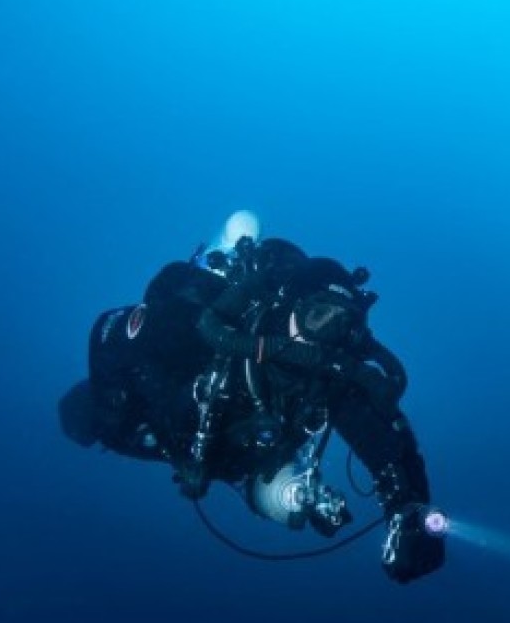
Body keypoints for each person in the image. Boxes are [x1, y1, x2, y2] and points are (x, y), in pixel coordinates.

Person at [58, 235, 446, 584]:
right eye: (319, 317)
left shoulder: (328, 373)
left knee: (287, 505)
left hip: (229, 455)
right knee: (86, 422)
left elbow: (381, 436)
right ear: (287, 305)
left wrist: (408, 508)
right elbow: (108, 331)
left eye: (342, 326)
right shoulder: (204, 320)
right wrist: (135, 402)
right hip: (144, 417)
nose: (327, 337)